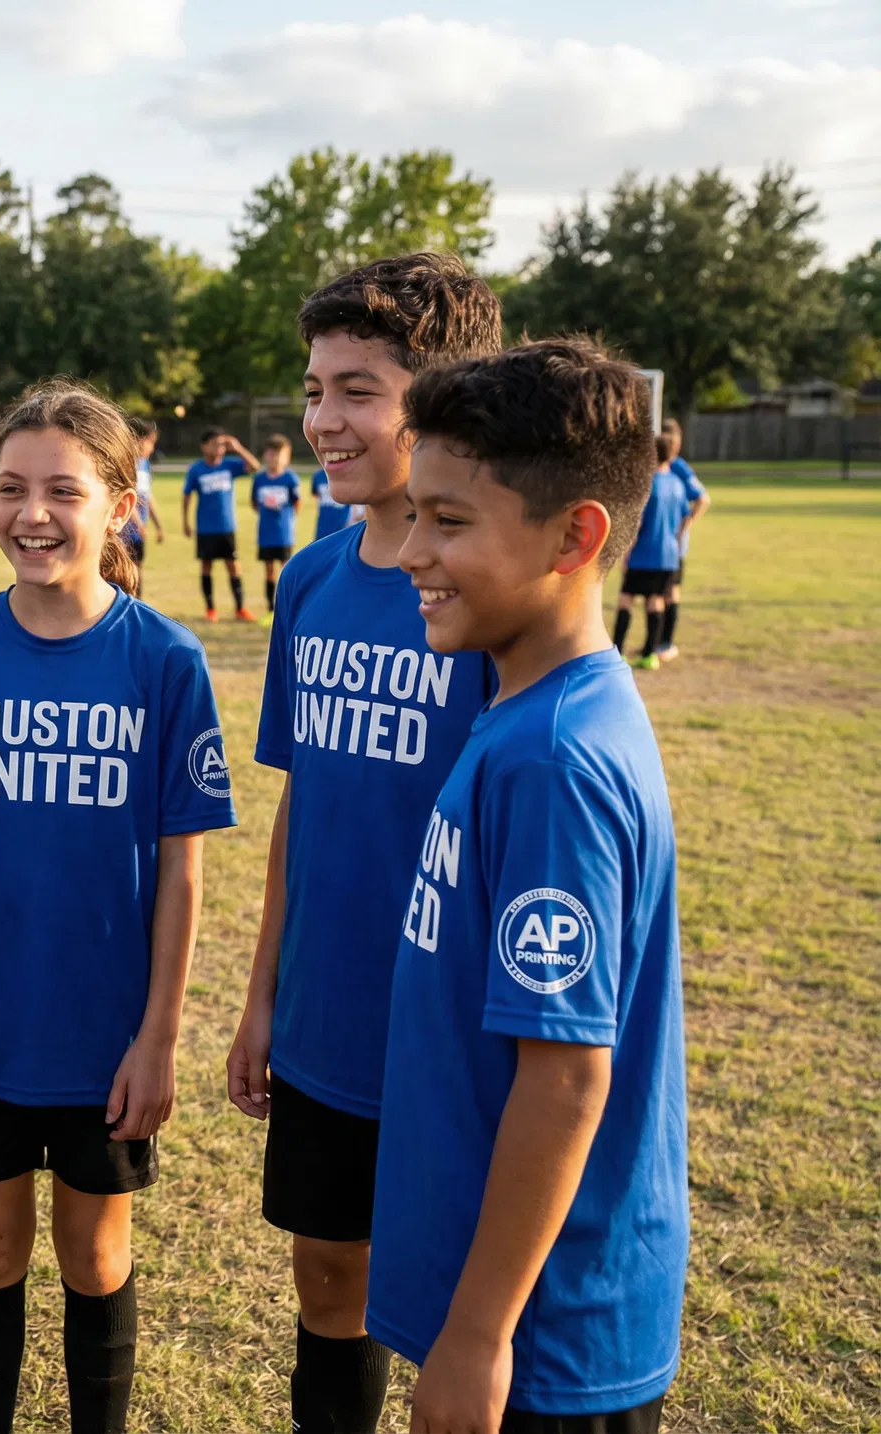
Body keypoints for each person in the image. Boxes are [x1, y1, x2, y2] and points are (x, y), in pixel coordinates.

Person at [0, 379, 233, 1434]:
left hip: (103, 1040)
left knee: (95, 1256)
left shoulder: (165, 660)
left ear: (121, 504)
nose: (32, 514)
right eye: (10, 488)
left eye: (63, 491)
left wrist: (158, 1040)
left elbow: (182, 871)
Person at [378, 337, 687, 1434]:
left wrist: (476, 1338)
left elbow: (564, 1081)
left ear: (577, 535)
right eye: (415, 513)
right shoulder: (519, 709)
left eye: (450, 522)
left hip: (545, 1342)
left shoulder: (556, 758)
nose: (410, 550)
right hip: (514, 1311)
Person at [226, 252, 501, 1434]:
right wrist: (259, 998)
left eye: (355, 391)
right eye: (313, 388)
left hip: (451, 1024)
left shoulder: (489, 598)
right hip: (328, 1013)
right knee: (329, 1282)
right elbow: (306, 804)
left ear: (436, 404)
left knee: (452, 1306)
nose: (321, 420)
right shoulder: (314, 583)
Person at [610, 435, 690, 671]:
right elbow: (686, 516)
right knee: (655, 601)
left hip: (644, 553)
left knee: (626, 600)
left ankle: (618, 652)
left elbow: (637, 524)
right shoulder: (677, 483)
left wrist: (626, 552)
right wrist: (676, 539)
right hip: (668, 555)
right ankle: (649, 654)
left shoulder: (647, 485)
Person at [180, 426, 260, 622]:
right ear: (204, 446)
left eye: (223, 445)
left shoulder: (229, 466)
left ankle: (240, 608)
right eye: (215, 444)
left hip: (226, 527)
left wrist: (238, 448)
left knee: (233, 566)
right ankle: (210, 609)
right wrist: (186, 522)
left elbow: (256, 467)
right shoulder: (197, 469)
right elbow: (187, 495)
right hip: (206, 528)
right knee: (206, 567)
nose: (219, 449)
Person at [657, 418, 711, 661]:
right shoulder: (659, 466)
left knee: (670, 591)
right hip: (657, 545)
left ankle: (666, 642)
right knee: (656, 594)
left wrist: (686, 525)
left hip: (672, 547)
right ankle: (655, 642)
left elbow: (703, 499)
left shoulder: (678, 467)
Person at [249, 434, 301, 615]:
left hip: (284, 533)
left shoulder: (290, 479)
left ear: (287, 456)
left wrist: (286, 517)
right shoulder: (259, 479)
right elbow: (254, 503)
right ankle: (270, 609)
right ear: (265, 455)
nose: (275, 458)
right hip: (265, 533)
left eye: (279, 454)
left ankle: (287, 608)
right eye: (271, 454)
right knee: (269, 571)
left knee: (286, 571)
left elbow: (297, 503)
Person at [120, 416, 164, 597]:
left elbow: (146, 496)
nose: (152, 448)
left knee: (137, 569)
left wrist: (159, 525)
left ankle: (136, 603)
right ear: (137, 440)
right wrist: (137, 522)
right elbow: (125, 494)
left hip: (138, 530)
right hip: (124, 529)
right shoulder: (126, 464)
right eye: (150, 442)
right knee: (123, 569)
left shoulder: (144, 465)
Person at [311, 464, 352, 541]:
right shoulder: (318, 475)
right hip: (322, 527)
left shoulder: (349, 475)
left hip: (343, 527)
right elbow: (315, 494)